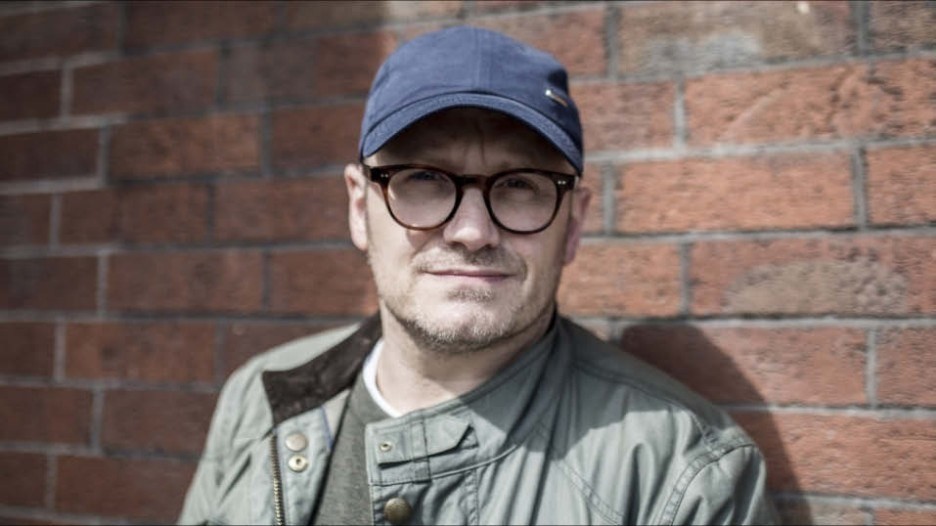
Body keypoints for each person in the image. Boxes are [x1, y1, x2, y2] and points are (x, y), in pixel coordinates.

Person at [179, 26, 777, 525]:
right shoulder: (262, 398)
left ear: (572, 224)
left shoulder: (682, 475)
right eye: (424, 179)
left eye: (519, 185)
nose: (471, 231)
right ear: (360, 208)